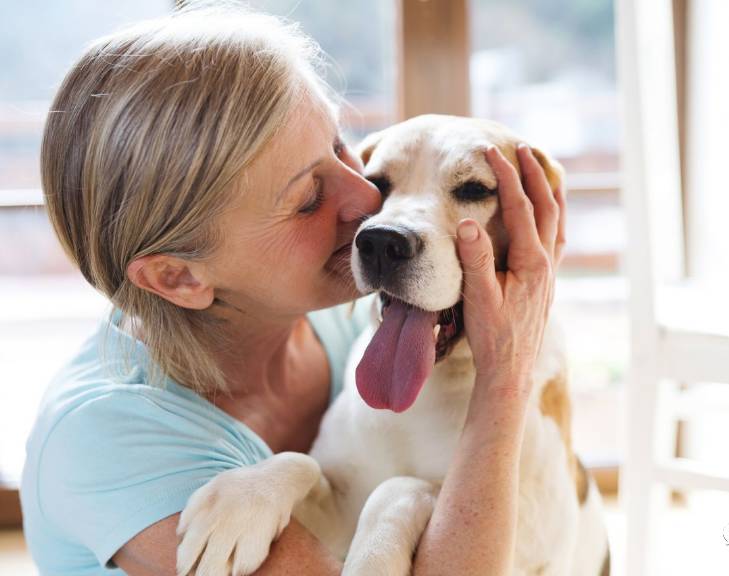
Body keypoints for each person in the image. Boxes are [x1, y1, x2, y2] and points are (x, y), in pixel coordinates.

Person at [20, 5, 565, 575]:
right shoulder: (109, 446)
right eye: (307, 197)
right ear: (179, 276)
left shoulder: (347, 322)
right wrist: (506, 376)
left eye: (340, 149)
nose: (366, 203)